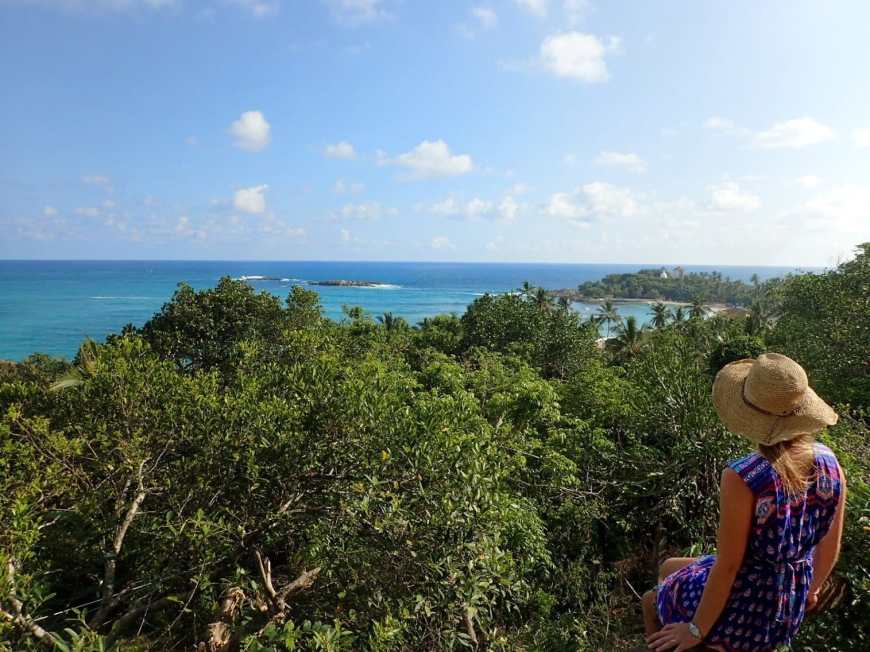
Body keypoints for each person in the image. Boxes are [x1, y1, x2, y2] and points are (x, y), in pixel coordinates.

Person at [642, 353, 847, 651]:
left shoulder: (745, 476)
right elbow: (829, 548)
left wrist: (695, 630)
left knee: (653, 597)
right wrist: (810, 591)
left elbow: (729, 566)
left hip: (746, 609)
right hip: (789, 600)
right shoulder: (831, 464)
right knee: (669, 566)